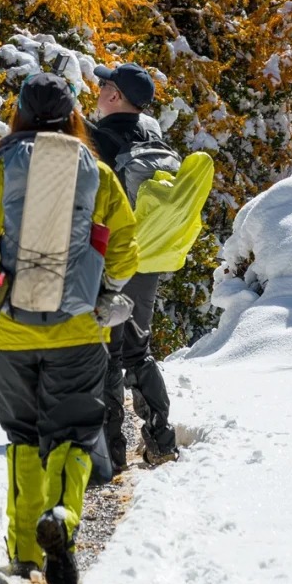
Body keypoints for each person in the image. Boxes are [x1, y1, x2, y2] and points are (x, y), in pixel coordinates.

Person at [0, 69, 137, 584]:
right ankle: (62, 518)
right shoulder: (95, 171)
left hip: (9, 334)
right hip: (78, 331)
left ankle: (26, 550)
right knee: (73, 438)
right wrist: (104, 294)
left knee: (24, 438)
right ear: (74, 115)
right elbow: (125, 248)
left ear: (20, 115)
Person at [88, 62, 181, 470]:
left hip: (112, 262)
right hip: (149, 261)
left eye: (103, 84)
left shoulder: (100, 141)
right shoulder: (156, 142)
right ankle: (161, 441)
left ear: (114, 96)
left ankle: (111, 454)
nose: (98, 90)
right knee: (138, 351)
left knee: (107, 354)